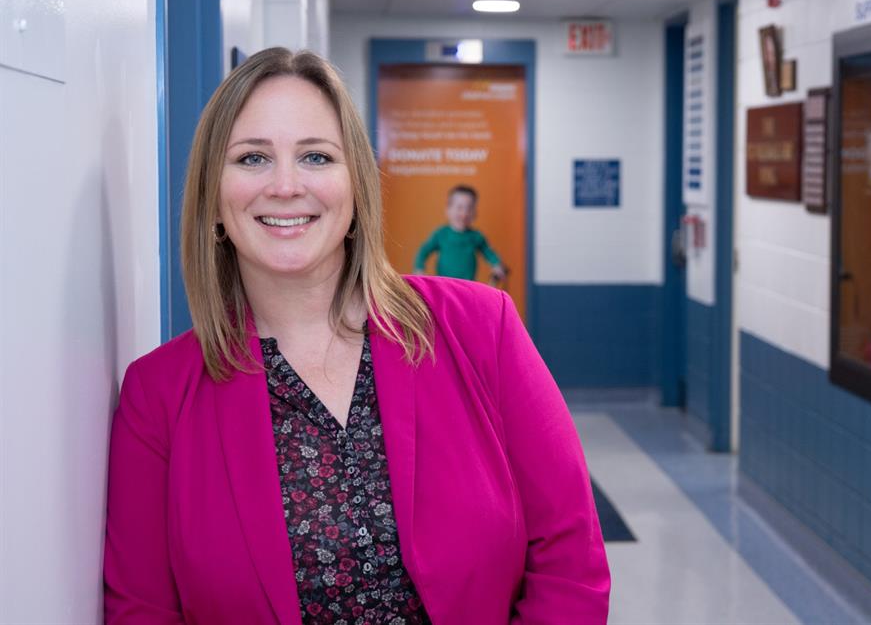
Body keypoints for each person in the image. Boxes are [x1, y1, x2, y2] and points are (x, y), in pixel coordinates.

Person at [103, 47, 610, 624]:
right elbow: (141, 611)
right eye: (252, 159)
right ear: (213, 200)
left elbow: (571, 559)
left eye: (316, 156)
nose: (287, 185)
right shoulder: (158, 397)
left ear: (356, 187)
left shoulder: (480, 328)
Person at [413, 185, 506, 283]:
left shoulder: (476, 236)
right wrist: (419, 268)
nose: (464, 213)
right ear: (448, 210)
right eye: (459, 207)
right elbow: (424, 251)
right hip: (444, 284)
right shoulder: (441, 234)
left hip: (468, 285)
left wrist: (497, 265)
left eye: (469, 208)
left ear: (475, 213)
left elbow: (489, 252)